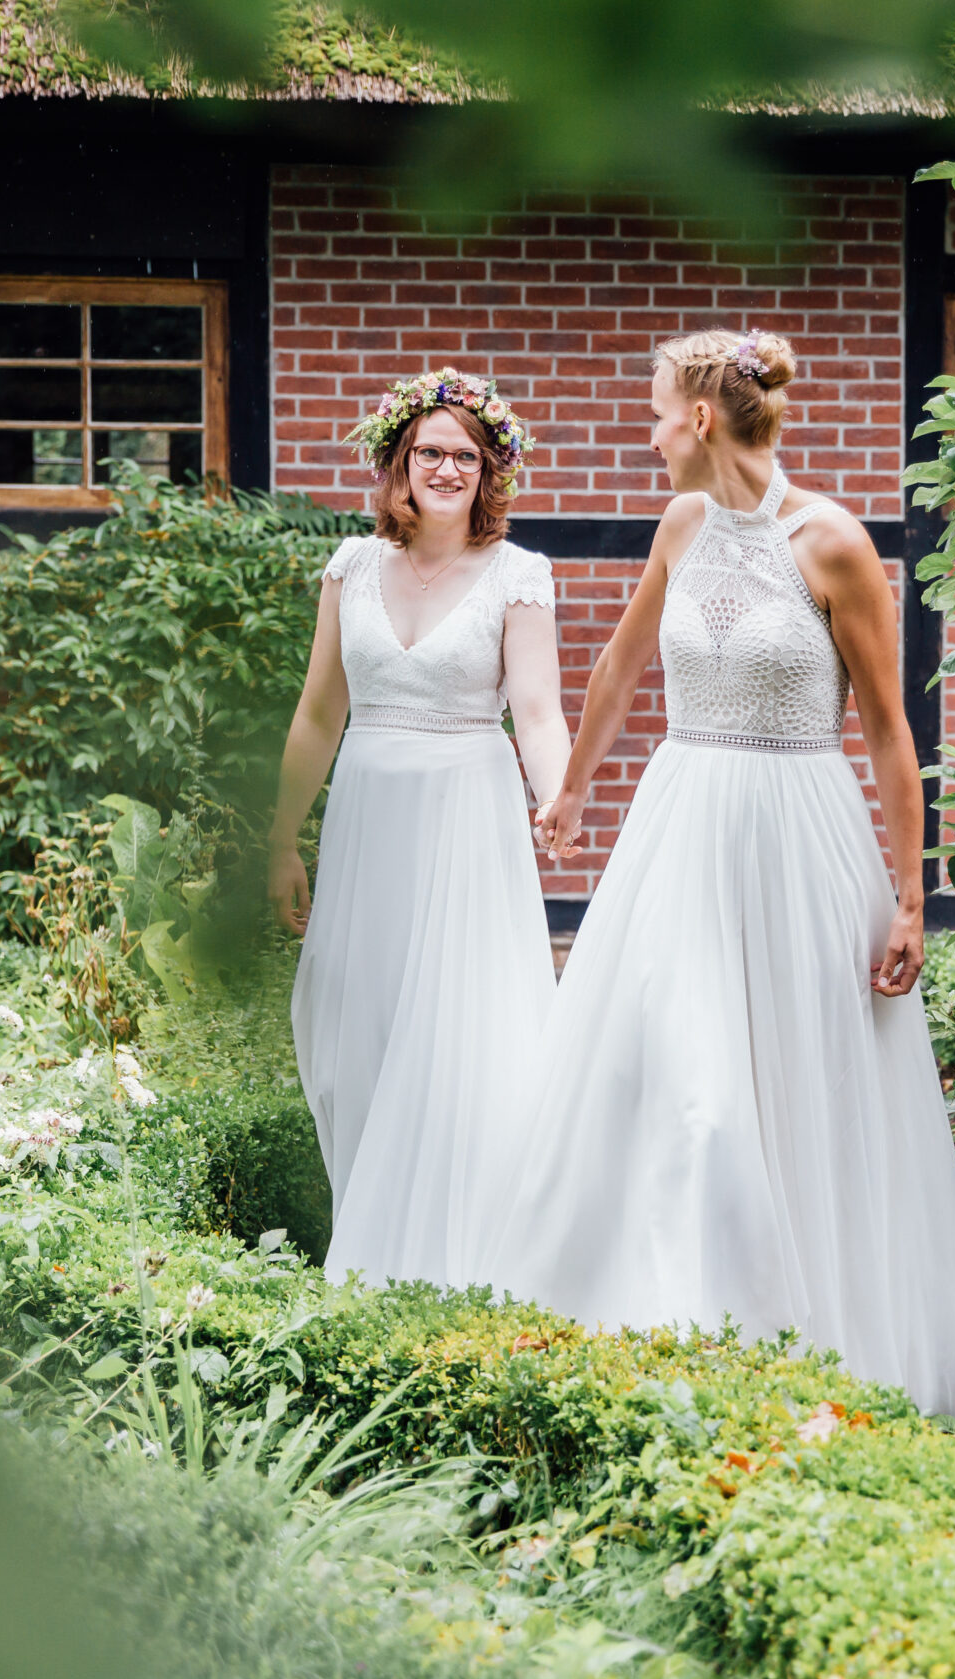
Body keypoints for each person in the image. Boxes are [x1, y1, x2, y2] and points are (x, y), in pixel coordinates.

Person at [484, 330, 955, 1420]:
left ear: (702, 419)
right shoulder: (683, 524)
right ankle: (670, 1331)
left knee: (790, 1088)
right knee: (680, 1083)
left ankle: (801, 1339)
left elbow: (892, 733)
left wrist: (910, 895)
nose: (650, 432)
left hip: (798, 835)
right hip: (679, 831)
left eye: (659, 412)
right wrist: (568, 789)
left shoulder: (835, 544)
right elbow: (619, 665)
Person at [269, 369, 567, 1288]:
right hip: (367, 818)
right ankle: (372, 1250)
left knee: (463, 1035)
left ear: (488, 475)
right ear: (399, 463)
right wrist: (281, 838)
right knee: (353, 1025)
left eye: (465, 458)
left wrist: (554, 797)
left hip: (465, 818)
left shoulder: (518, 576)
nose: (446, 468)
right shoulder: (350, 568)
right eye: (429, 452)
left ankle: (462, 1257)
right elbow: (320, 713)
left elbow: (538, 710)